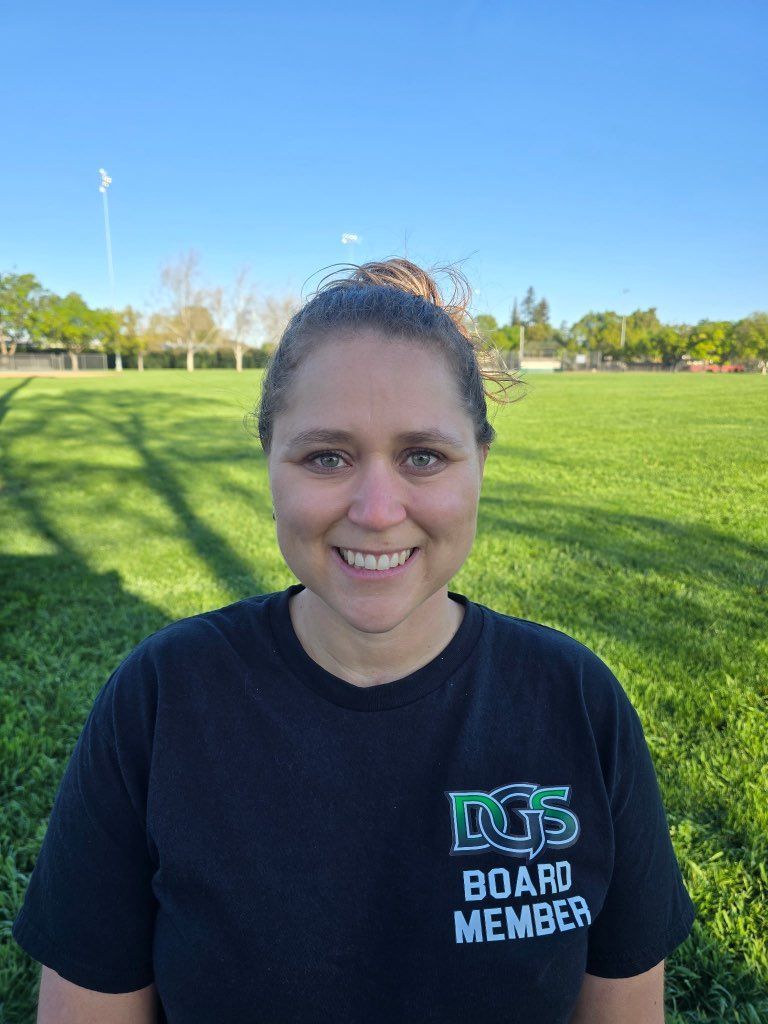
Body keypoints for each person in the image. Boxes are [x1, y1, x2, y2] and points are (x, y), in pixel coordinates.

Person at [13, 258, 695, 1023]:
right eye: (327, 457)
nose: (377, 510)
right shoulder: (164, 696)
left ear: (481, 465)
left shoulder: (575, 699)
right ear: (269, 461)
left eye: (423, 457)